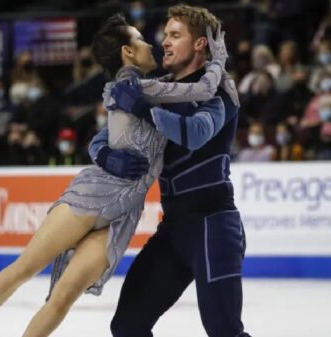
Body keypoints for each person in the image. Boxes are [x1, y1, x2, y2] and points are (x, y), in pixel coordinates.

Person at [0, 12, 229, 337]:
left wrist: (102, 149)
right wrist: (218, 59)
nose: (150, 43)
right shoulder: (133, 86)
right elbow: (205, 87)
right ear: (127, 52)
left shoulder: (152, 88)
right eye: (139, 39)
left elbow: (106, 135)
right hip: (95, 193)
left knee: (64, 296)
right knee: (26, 267)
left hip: (124, 212)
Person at [90, 5, 250, 337]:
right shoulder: (157, 89)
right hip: (174, 230)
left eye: (175, 35)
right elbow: (101, 138)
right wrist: (105, 154)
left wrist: (145, 111)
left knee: (225, 331)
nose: (164, 41)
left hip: (214, 226)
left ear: (200, 44)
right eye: (165, 34)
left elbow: (194, 133)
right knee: (127, 327)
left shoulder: (219, 91)